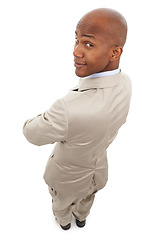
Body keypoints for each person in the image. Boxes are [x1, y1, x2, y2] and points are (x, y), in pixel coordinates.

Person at [23, 8, 132, 230]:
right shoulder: (126, 84)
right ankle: (81, 218)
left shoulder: (68, 108)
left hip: (66, 178)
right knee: (88, 198)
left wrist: (49, 115)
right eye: (76, 40)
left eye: (88, 44)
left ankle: (63, 222)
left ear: (115, 52)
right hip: (98, 170)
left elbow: (31, 133)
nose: (76, 51)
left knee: (61, 204)